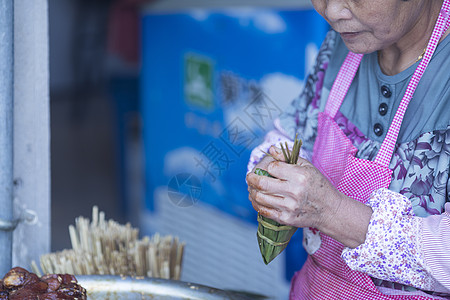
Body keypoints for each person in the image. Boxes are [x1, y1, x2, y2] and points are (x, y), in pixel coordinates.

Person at [246, 0, 450, 299]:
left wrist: (333, 213)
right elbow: (292, 132)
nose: (331, 12)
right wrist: (275, 173)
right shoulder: (342, 43)